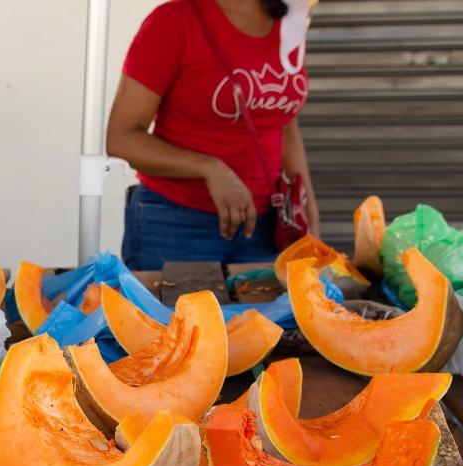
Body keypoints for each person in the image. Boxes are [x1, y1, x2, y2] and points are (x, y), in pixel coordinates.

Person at [107, 0, 318, 270]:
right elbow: (121, 138)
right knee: (175, 314)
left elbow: (285, 126)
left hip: (267, 229)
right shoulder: (173, 21)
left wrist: (309, 213)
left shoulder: (290, 22)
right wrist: (209, 168)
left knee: (265, 315)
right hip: (176, 224)